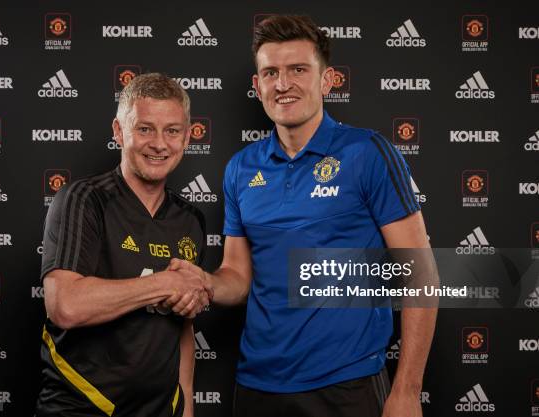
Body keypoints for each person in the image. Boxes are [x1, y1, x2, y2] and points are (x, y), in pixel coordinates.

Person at [167, 15, 437, 417]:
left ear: (326, 81)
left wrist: (408, 391)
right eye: (271, 72)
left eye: (298, 70)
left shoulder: (369, 154)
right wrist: (203, 281)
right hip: (258, 385)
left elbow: (422, 274)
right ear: (257, 86)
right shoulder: (240, 169)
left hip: (348, 384)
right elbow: (238, 278)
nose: (282, 83)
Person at [35, 73, 210, 417]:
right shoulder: (83, 199)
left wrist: (187, 402)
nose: (159, 143)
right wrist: (164, 282)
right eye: (144, 129)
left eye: (172, 131)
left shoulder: (190, 220)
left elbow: (184, 325)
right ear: (119, 131)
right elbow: (65, 305)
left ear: (187, 137)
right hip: (81, 408)